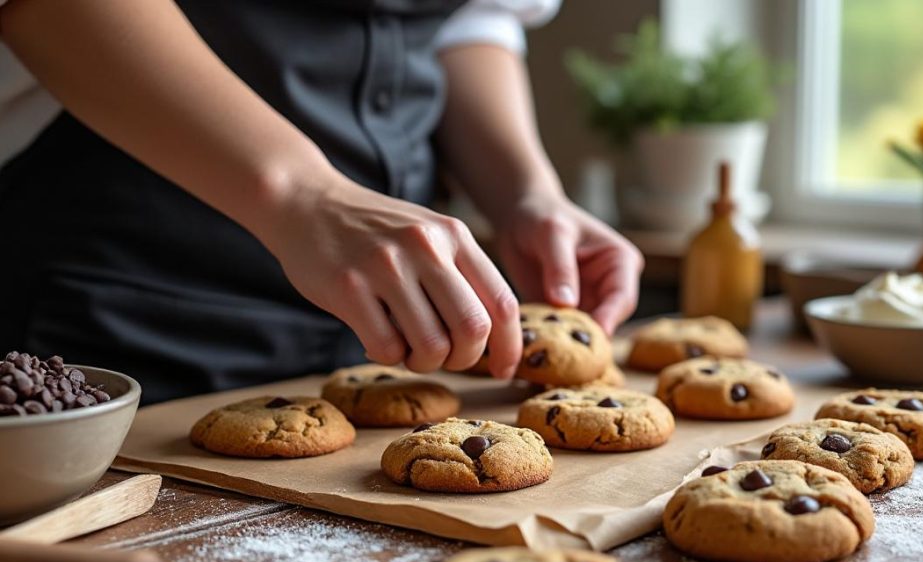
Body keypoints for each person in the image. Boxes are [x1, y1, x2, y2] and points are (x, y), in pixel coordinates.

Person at [0, 0, 643, 403]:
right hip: (126, 289)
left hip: (385, 320)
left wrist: (526, 191)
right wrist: (306, 195)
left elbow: (470, 19)